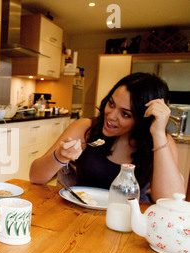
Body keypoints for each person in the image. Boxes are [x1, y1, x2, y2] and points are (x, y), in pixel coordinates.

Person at [29, 72, 185, 202]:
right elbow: (36, 177)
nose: (110, 116)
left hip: (130, 222)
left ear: (142, 120)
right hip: (81, 215)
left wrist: (158, 134)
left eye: (125, 114)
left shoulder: (161, 141)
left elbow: (171, 200)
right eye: (111, 104)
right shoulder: (86, 128)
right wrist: (60, 156)